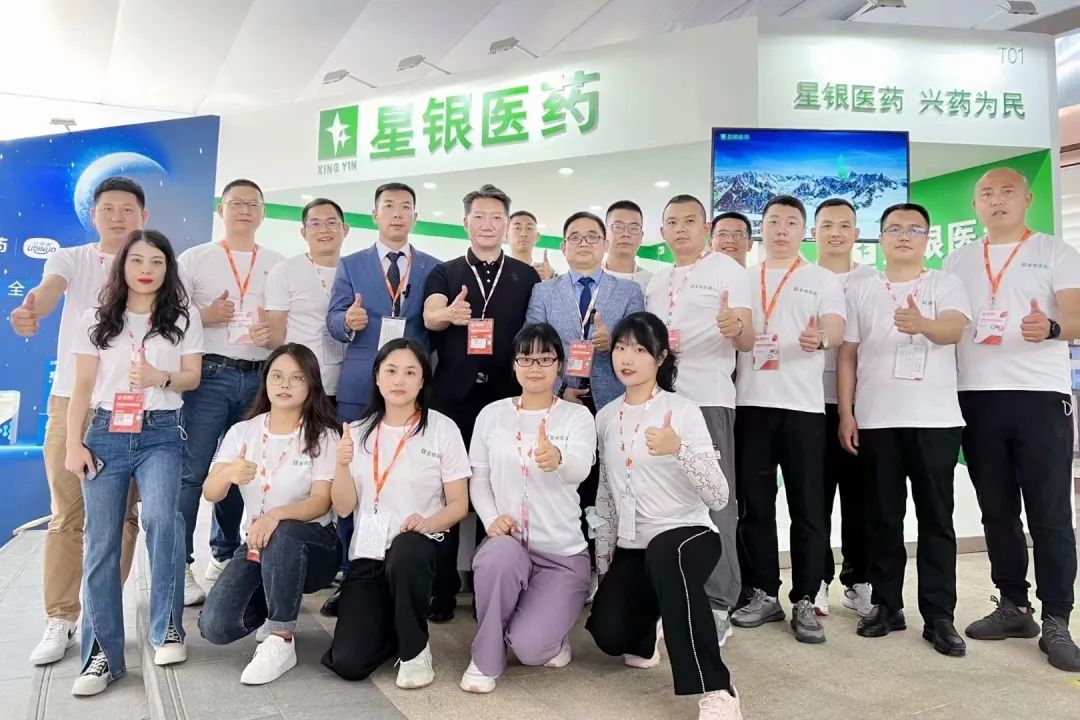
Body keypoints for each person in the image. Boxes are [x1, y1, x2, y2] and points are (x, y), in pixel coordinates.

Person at [944, 167, 1080, 672]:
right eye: (986, 193)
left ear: (1027, 198)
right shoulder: (958, 259)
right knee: (996, 510)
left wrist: (1053, 326)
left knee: (1049, 513)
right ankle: (1014, 606)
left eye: (1006, 192)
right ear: (975, 205)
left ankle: (1058, 618)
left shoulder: (1055, 252)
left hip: (1040, 397)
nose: (996, 200)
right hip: (977, 398)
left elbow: (1078, 316)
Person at [11, 176, 147, 666]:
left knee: (123, 516)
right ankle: (60, 617)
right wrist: (34, 309)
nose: (118, 217)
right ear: (94, 215)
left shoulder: (152, 263)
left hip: (129, 403)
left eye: (127, 209)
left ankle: (100, 610)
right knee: (68, 514)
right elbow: (49, 291)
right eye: (108, 208)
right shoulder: (71, 259)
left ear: (143, 216)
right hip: (73, 399)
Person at [65, 229, 203, 695]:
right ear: (122, 265)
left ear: (168, 268)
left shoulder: (183, 317)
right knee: (101, 541)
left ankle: (168, 628)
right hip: (105, 433)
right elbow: (82, 387)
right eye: (137, 260)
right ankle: (101, 654)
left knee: (163, 520)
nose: (147, 269)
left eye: (157, 261)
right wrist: (73, 444)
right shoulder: (96, 318)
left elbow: (192, 377)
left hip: (161, 432)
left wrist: (159, 377)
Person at [587, 312, 741, 720]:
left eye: (640, 349)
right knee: (609, 635)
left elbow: (719, 496)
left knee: (666, 554)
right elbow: (606, 494)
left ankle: (718, 688)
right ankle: (649, 626)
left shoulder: (683, 410)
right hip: (635, 545)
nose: (627, 357)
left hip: (688, 533)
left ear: (660, 357)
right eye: (621, 347)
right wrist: (606, 565)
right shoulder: (606, 417)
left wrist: (679, 450)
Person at [837, 203, 969, 657]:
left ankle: (939, 616)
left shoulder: (945, 283)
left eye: (914, 229)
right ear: (880, 238)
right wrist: (847, 413)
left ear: (927, 238)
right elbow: (848, 354)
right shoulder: (863, 289)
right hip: (877, 420)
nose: (904, 236)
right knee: (882, 519)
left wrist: (923, 325)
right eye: (894, 228)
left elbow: (953, 329)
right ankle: (887, 606)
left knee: (937, 521)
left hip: (935, 420)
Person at [422, 184, 541, 621]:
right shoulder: (446, 272)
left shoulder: (526, 277)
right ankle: (441, 588)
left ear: (507, 225)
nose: (488, 224)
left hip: (507, 397)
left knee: (503, 487)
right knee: (447, 488)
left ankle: (494, 585)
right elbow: (430, 314)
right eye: (479, 216)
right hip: (452, 398)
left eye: (496, 218)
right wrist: (447, 315)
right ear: (465, 222)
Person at [322, 339, 470, 688]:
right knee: (349, 662)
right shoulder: (357, 431)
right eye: (390, 371)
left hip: (420, 548)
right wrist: (341, 465)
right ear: (377, 377)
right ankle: (392, 626)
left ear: (422, 381)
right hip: (370, 553)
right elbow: (342, 507)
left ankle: (415, 651)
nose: (399, 380)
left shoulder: (442, 429)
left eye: (410, 372)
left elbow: (459, 505)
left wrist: (427, 523)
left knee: (407, 548)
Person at [730, 194, 844, 645]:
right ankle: (762, 593)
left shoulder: (821, 278)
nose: (781, 229)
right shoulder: (743, 278)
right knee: (755, 507)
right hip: (751, 405)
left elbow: (836, 329)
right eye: (774, 220)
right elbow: (738, 336)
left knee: (808, 508)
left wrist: (823, 338)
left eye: (791, 222)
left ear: (804, 231)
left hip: (804, 409)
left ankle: (806, 598)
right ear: (762, 228)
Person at [461, 323, 597, 693]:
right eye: (526, 358)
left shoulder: (577, 417)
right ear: (514, 364)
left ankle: (547, 633)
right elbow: (479, 478)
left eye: (545, 359)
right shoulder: (492, 414)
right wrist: (492, 519)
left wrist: (558, 458)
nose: (535, 367)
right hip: (510, 543)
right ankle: (485, 657)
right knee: (496, 558)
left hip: (561, 556)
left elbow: (581, 468)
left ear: (559, 365)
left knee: (531, 648)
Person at [322, 183, 438, 616]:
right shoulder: (351, 264)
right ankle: (350, 574)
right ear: (375, 215)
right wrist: (347, 321)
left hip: (411, 386)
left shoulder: (433, 268)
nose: (397, 213)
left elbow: (435, 324)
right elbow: (333, 319)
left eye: (405, 207)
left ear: (414, 217)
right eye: (388, 206)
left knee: (404, 477)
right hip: (360, 386)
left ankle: (406, 572)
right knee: (356, 478)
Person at [198, 343, 342, 685]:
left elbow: (322, 501)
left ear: (311, 384)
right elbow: (210, 491)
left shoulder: (323, 434)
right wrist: (228, 473)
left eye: (296, 377)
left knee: (284, 532)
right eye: (277, 376)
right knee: (215, 626)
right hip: (256, 546)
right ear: (265, 382)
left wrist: (276, 515)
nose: (285, 384)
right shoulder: (243, 431)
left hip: (314, 548)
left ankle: (281, 638)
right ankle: (275, 603)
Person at [645, 194, 751, 645]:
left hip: (708, 400)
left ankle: (719, 602)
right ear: (663, 231)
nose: (681, 229)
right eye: (672, 222)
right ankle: (673, 595)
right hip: (662, 403)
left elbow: (747, 338)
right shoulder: (658, 280)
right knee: (667, 499)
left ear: (705, 227)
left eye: (690, 221)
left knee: (716, 500)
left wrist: (735, 328)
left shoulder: (728, 270)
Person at [178, 179, 285, 605]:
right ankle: (180, 565)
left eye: (253, 204)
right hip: (209, 375)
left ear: (263, 213)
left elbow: (283, 323)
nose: (244, 209)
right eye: (236, 202)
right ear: (220, 210)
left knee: (243, 469)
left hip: (259, 376)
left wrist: (271, 334)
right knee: (193, 472)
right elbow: (169, 317)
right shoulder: (195, 259)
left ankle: (224, 554)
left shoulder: (276, 263)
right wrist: (204, 316)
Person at [811, 198, 878, 617]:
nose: (835, 233)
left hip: (863, 404)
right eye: (827, 225)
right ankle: (816, 579)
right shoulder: (802, 277)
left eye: (844, 225)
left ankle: (859, 581)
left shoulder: (873, 280)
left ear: (857, 233)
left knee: (860, 499)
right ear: (813, 233)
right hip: (811, 402)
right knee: (814, 499)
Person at [526, 211, 645, 411]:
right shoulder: (543, 291)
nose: (583, 243)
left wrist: (614, 343)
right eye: (575, 237)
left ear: (605, 244)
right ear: (563, 247)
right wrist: (560, 388)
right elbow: (532, 347)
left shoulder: (629, 291)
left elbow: (641, 345)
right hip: (558, 397)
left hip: (615, 398)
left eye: (592, 237)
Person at [265, 198, 349, 402]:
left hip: (347, 384)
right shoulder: (285, 271)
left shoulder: (355, 270)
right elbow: (275, 339)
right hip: (301, 383)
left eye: (331, 222)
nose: (324, 230)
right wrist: (263, 337)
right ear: (303, 232)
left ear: (345, 229)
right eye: (315, 224)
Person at [603, 200, 653, 292]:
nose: (626, 234)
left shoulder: (652, 283)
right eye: (618, 227)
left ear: (641, 236)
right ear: (605, 234)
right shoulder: (585, 277)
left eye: (634, 228)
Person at [509, 210, 554, 280]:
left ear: (537, 237)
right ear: (506, 235)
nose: (523, 234)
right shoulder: (496, 270)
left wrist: (551, 278)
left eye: (529, 228)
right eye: (517, 228)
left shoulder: (544, 273)